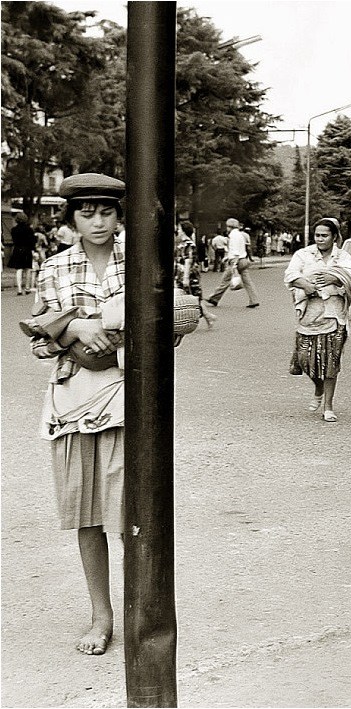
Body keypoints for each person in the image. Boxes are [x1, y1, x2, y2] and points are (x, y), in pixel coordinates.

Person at [22, 173, 127, 655]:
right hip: (73, 398)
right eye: (87, 212)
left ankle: (144, 611)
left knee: (130, 513)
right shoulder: (55, 268)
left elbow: (175, 326)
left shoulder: (143, 261)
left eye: (106, 211)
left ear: (118, 214)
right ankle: (100, 615)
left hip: (130, 395)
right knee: (87, 514)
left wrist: (110, 332)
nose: (98, 221)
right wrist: (75, 329)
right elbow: (39, 340)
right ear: (72, 218)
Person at [284, 217, 351, 422]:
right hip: (309, 314)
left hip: (334, 314)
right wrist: (305, 284)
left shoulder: (342, 257)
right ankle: (318, 387)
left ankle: (328, 406)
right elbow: (290, 274)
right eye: (317, 235)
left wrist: (335, 277)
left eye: (324, 235)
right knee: (305, 359)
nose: (320, 239)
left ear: (334, 237)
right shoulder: (303, 254)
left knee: (331, 361)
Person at [206, 218, 260, 308]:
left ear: (229, 226)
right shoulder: (240, 235)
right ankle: (254, 300)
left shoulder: (233, 236)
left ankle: (214, 298)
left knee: (225, 280)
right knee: (247, 282)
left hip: (236, 261)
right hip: (243, 260)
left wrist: (233, 263)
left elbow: (234, 250)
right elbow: (240, 248)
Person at [175, 221, 216, 330]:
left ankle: (207, 317)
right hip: (181, 274)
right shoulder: (182, 243)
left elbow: (188, 261)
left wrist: (186, 278)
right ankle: (208, 317)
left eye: (179, 229)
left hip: (188, 274)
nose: (177, 231)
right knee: (192, 297)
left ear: (183, 231)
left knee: (193, 297)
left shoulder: (189, 244)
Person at [9, 212, 37, 295]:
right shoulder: (29, 229)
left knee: (19, 269)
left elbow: (14, 241)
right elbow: (32, 241)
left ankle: (19, 289)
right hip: (27, 250)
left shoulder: (13, 230)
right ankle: (27, 288)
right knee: (28, 269)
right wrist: (33, 250)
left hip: (18, 249)